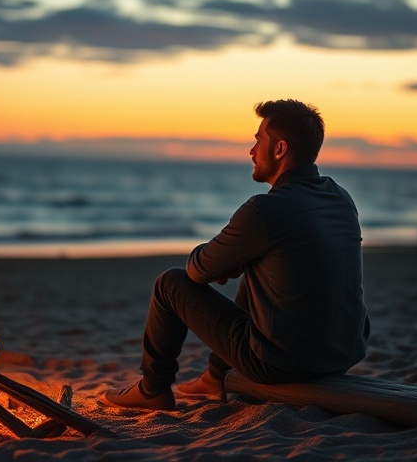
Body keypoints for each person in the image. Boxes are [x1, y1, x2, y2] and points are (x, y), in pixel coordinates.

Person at [101, 99, 370, 411]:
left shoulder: (264, 211)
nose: (252, 151)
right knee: (264, 264)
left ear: (280, 149)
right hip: (345, 353)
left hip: (284, 363)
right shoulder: (340, 197)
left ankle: (152, 389)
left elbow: (196, 272)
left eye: (258, 140)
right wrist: (242, 257)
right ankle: (217, 376)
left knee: (169, 284)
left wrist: (227, 259)